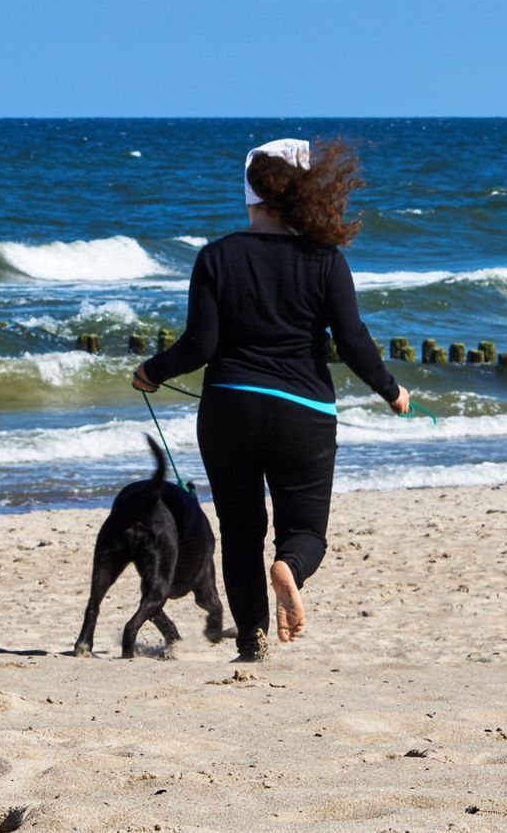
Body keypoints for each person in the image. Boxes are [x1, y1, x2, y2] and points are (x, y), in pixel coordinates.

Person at [132, 137, 411, 661]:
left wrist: (150, 371)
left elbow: (200, 346)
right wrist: (391, 390)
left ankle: (251, 640)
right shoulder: (325, 260)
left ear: (250, 195)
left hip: (229, 409)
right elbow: (352, 341)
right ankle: (290, 568)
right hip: (302, 415)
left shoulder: (216, 257)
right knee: (304, 531)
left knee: (239, 531)